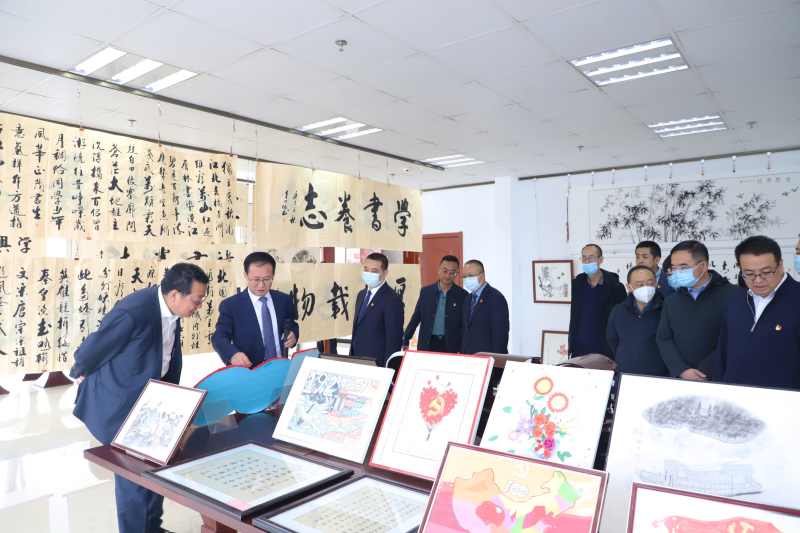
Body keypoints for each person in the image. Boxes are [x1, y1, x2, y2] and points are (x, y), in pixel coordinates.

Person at [69, 263, 209, 533]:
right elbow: (90, 351)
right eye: (196, 300)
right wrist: (80, 373)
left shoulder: (172, 309)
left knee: (155, 469)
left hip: (153, 403)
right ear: (175, 294)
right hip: (121, 405)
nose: (199, 306)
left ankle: (151, 528)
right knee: (133, 477)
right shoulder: (134, 312)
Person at [714, 235, 800, 389]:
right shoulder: (735, 301)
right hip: (734, 396)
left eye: (766, 272)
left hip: (783, 399)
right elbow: (722, 354)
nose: (758, 280)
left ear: (780, 265)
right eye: (749, 274)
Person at [657, 240, 739, 380]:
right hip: (681, 379)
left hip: (719, 377)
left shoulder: (733, 295)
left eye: (683, 267)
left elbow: (735, 338)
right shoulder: (671, 300)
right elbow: (663, 338)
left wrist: (705, 371)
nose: (677, 273)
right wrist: (681, 369)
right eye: (674, 268)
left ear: (703, 266)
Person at [212, 252, 298, 367]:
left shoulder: (284, 300)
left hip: (281, 366)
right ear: (245, 275)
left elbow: (292, 324)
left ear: (273, 275)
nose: (261, 285)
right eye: (255, 279)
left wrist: (293, 334)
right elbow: (219, 337)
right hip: (250, 369)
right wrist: (233, 354)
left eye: (266, 279)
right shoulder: (231, 305)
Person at [607, 265, 668, 376]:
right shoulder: (618, 310)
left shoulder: (665, 310)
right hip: (624, 373)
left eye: (650, 283)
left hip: (656, 375)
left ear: (656, 283)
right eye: (640, 285)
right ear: (629, 287)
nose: (646, 288)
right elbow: (612, 340)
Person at [568, 244, 626, 358]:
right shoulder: (578, 284)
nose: (587, 261)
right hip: (579, 346)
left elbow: (621, 320)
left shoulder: (615, 287)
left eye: (591, 257)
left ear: (601, 259)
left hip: (605, 347)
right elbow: (574, 316)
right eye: (584, 258)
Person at [402, 255, 468, 353]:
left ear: (457, 273)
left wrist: (463, 348)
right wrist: (406, 338)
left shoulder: (463, 295)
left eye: (452, 272)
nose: (448, 275)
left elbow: (465, 325)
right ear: (439, 270)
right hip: (427, 344)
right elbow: (416, 317)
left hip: (452, 347)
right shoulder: (426, 292)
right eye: (445, 271)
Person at [350, 252, 404, 366]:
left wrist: (388, 368)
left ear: (385, 273)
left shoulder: (392, 299)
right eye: (366, 269)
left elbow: (394, 339)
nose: (369, 273)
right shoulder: (361, 294)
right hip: (356, 358)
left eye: (374, 271)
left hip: (377, 362)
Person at [460, 259, 509, 354]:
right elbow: (465, 330)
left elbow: (500, 335)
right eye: (464, 276)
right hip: (468, 356)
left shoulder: (496, 298)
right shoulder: (467, 299)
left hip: (487, 356)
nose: (467, 279)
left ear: (482, 276)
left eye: (471, 275)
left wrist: (496, 360)